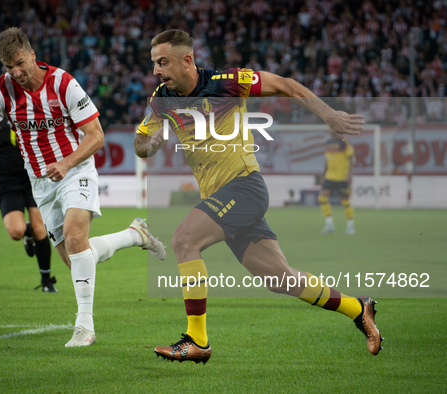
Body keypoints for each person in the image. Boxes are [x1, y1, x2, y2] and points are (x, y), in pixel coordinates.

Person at [134, 29, 382, 364]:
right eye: (154, 64)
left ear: (187, 60)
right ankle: (358, 308)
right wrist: (154, 141)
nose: (156, 71)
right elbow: (141, 145)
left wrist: (329, 115)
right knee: (282, 279)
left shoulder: (226, 82)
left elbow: (285, 85)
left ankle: (197, 340)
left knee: (184, 240)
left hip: (244, 187)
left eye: (162, 63)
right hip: (224, 198)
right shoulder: (160, 100)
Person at [0, 27, 166, 348]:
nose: (15, 72)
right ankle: (134, 235)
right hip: (40, 182)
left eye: (19, 63)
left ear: (31, 55)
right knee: (76, 258)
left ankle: (84, 327)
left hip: (76, 169)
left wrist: (67, 163)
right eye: (8, 67)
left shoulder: (64, 83)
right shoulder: (2, 90)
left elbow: (96, 135)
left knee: (74, 239)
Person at [0, 119, 58, 292]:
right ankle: (27, 232)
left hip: (34, 179)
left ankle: (46, 281)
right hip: (7, 183)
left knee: (40, 228)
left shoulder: (30, 109)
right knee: (16, 232)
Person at [319, 133, 356, 235]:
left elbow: (351, 158)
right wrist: (323, 174)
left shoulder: (344, 142)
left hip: (342, 176)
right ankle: (329, 225)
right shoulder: (328, 143)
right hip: (330, 176)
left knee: (345, 201)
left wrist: (349, 174)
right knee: (322, 197)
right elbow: (327, 159)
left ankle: (350, 226)